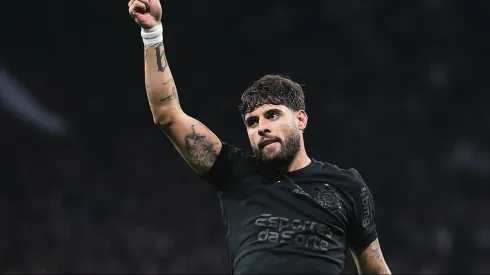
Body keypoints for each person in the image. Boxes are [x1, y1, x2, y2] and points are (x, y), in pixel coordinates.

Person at [128, 0, 392, 274]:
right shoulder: (235, 174)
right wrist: (152, 33)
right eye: (252, 122)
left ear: (301, 119)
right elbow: (167, 115)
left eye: (273, 115)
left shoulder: (346, 186)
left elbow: (375, 269)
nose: (262, 127)